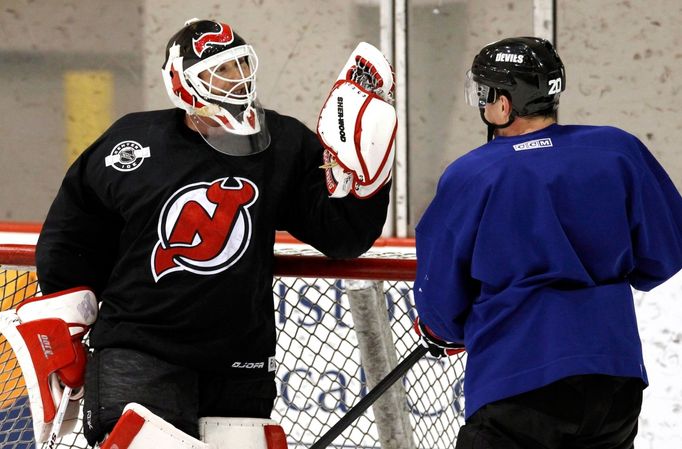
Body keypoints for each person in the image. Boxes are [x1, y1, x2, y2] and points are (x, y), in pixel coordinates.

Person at [29, 18, 396, 448]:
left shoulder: (283, 143)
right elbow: (72, 235)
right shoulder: (130, 143)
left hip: (238, 360)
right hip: (141, 350)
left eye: (241, 65)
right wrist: (64, 324)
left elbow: (342, 237)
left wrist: (365, 182)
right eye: (219, 70)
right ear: (183, 84)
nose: (237, 79)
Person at [413, 36, 682, 449]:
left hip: (518, 380)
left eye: (484, 93)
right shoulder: (617, 149)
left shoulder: (473, 174)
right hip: (614, 377)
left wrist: (445, 328)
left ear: (504, 104)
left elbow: (441, 302)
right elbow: (664, 254)